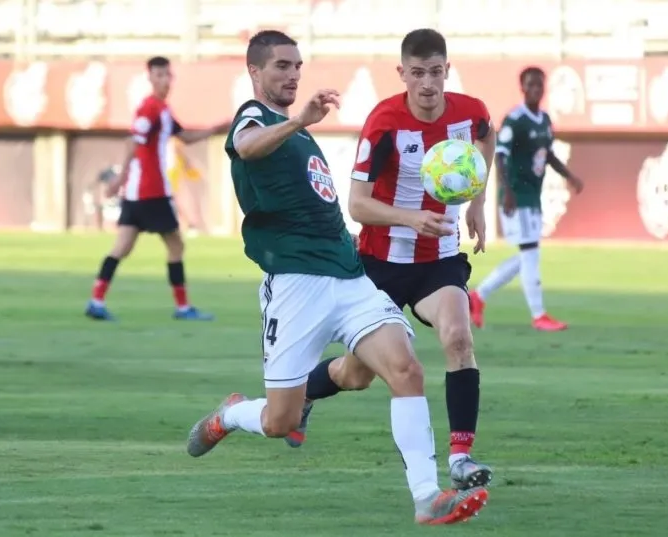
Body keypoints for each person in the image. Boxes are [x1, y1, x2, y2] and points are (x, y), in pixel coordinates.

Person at [185, 30, 488, 525]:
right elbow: (245, 147)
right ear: (255, 72)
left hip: (349, 278)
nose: (292, 74)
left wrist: (301, 125)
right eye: (281, 66)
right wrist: (299, 119)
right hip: (295, 286)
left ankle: (427, 497)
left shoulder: (298, 134)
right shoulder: (256, 118)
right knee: (279, 420)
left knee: (405, 370)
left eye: (297, 65)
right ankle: (230, 415)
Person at [292, 28, 497, 493]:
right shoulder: (384, 122)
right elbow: (357, 205)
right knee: (356, 374)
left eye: (437, 72)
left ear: (448, 70)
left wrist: (478, 204)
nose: (428, 84)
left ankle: (461, 457)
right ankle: (305, 390)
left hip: (439, 261)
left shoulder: (470, 112)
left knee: (459, 337)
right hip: (380, 264)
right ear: (402, 73)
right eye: (418, 73)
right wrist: (411, 218)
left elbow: (488, 138)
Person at [84, 56, 227, 322]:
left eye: (167, 75)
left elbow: (184, 137)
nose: (164, 80)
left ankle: (96, 300)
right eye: (159, 75)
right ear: (150, 79)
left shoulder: (162, 110)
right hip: (152, 192)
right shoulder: (150, 109)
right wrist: (120, 178)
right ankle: (183, 308)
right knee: (176, 246)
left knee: (122, 247)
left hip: (138, 194)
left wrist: (215, 130)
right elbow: (133, 142)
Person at [468, 66, 584, 331]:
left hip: (532, 195)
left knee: (527, 255)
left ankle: (479, 295)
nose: (535, 90)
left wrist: (569, 176)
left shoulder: (543, 119)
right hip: (517, 195)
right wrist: (507, 192)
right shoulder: (515, 120)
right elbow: (500, 156)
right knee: (530, 252)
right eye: (530, 85)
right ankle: (538, 315)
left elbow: (549, 154)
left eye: (539, 85)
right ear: (522, 87)